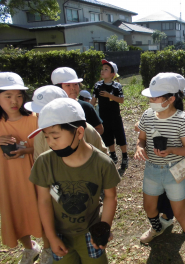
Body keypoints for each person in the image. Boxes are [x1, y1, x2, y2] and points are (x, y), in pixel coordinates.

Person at [29, 98, 120, 264]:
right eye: (46, 137)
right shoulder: (44, 163)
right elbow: (43, 201)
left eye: (55, 137)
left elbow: (110, 197)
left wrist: (103, 229)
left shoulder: (103, 163)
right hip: (59, 235)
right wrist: (50, 237)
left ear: (79, 132)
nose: (50, 143)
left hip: (91, 232)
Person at [134, 73, 185, 264]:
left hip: (174, 170)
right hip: (152, 169)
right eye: (150, 96)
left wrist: (171, 149)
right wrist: (139, 147)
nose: (150, 100)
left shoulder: (181, 119)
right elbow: (142, 138)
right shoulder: (147, 115)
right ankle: (157, 228)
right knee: (149, 207)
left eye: (155, 97)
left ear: (171, 99)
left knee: (180, 213)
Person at [0, 72, 49, 263]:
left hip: (34, 173)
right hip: (8, 178)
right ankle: (29, 248)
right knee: (15, 211)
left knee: (41, 209)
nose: (15, 101)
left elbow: (45, 145)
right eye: (8, 96)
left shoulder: (34, 118)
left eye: (19, 95)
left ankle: (47, 248)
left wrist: (25, 150)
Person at [23, 85, 108, 161]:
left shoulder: (86, 129)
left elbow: (103, 156)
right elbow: (39, 165)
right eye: (38, 114)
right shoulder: (40, 135)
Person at [91, 60, 128, 170]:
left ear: (112, 74)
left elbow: (121, 100)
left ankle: (125, 156)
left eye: (106, 69)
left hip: (115, 116)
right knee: (107, 137)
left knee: (120, 136)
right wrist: (89, 111)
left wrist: (109, 96)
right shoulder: (98, 85)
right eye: (102, 69)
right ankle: (113, 155)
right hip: (103, 117)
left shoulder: (117, 86)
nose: (103, 71)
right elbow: (93, 101)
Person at [51, 67, 104, 135]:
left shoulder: (86, 107)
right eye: (68, 85)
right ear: (58, 88)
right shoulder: (52, 109)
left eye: (76, 84)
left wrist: (86, 139)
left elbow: (99, 128)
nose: (73, 88)